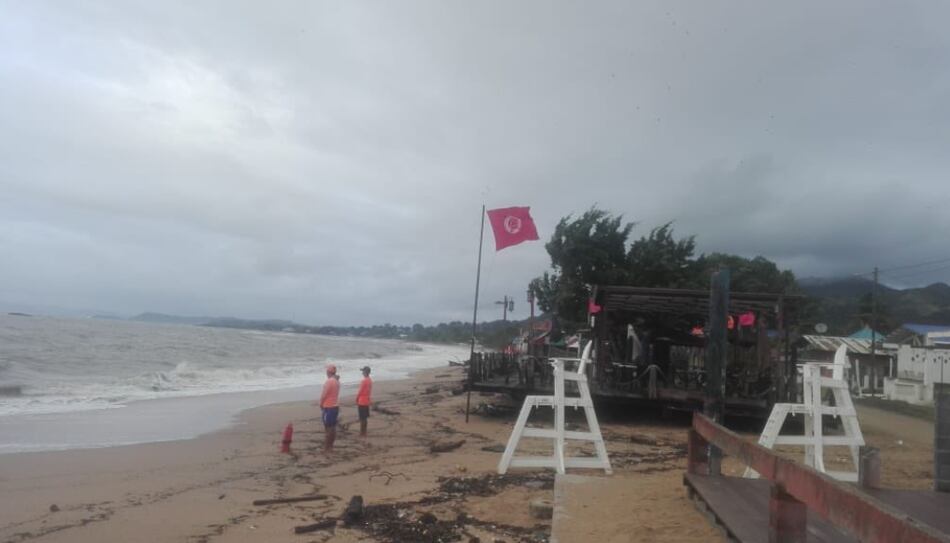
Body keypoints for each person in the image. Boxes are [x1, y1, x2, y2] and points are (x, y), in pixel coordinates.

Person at [318, 364, 340, 452]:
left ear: (328, 372)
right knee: (333, 427)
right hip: (335, 406)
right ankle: (330, 446)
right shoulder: (337, 381)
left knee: (328, 428)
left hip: (329, 407)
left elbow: (324, 394)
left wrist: (320, 403)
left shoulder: (329, 381)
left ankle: (327, 447)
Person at [356, 366, 372, 437]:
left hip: (362, 400)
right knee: (364, 418)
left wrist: (356, 398)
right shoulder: (370, 380)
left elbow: (360, 391)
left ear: (365, 372)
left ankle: (362, 433)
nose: (362, 373)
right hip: (367, 400)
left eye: (363, 371)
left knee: (362, 418)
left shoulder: (364, 380)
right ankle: (364, 431)